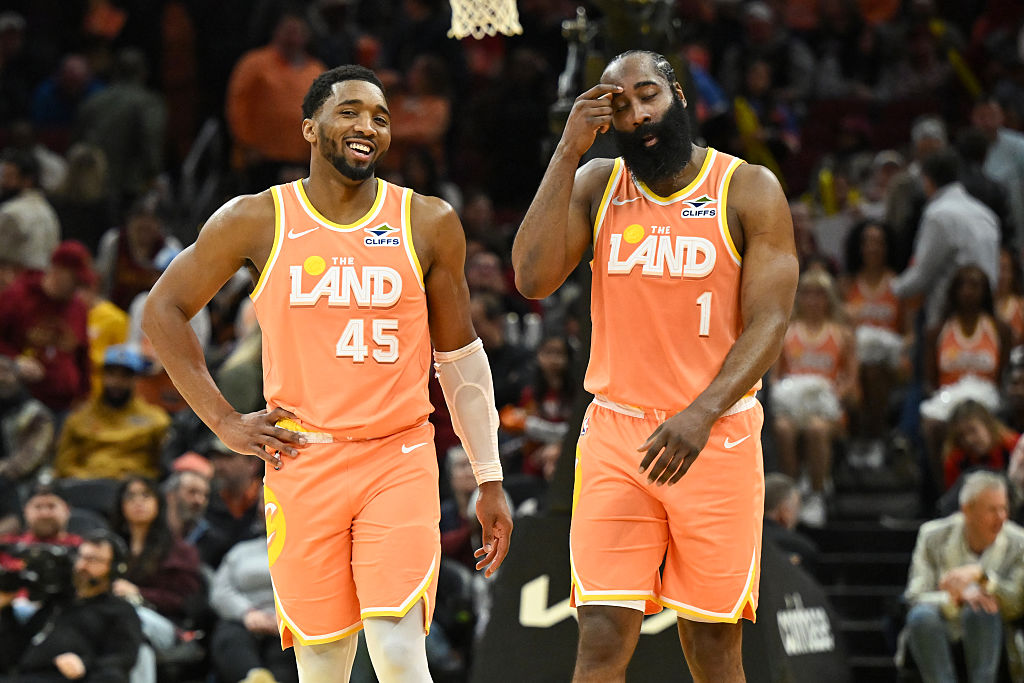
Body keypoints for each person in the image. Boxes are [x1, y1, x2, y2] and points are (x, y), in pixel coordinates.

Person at [142, 64, 513, 682]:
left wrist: (489, 476)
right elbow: (163, 310)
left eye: (380, 117)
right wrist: (224, 422)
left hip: (396, 456)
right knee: (321, 667)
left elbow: (460, 358)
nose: (368, 126)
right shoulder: (258, 218)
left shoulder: (427, 221)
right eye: (350, 112)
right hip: (302, 458)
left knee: (398, 652)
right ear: (309, 128)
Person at [511, 50, 798, 682]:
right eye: (620, 105)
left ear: (679, 97)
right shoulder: (598, 183)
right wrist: (568, 151)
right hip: (618, 434)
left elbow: (770, 322)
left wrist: (701, 413)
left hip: (715, 434)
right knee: (600, 637)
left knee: (713, 646)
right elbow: (531, 278)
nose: (638, 114)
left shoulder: (747, 188)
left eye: (649, 96)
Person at [902, 471, 1024, 683]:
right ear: (967, 510)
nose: (1001, 517)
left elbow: (1017, 603)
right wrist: (956, 598)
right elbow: (914, 596)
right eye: (992, 510)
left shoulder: (1018, 542)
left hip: (994, 633)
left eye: (1004, 508)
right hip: (941, 624)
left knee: (980, 610)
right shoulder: (932, 536)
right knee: (921, 616)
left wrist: (982, 578)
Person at [772, 269, 858, 527]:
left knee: (816, 428)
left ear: (828, 298)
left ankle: (817, 495)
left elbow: (851, 381)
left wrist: (832, 395)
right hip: (793, 407)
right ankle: (791, 492)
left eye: (819, 294)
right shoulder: (787, 332)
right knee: (783, 427)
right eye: (807, 293)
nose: (813, 300)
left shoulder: (842, 334)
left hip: (827, 410)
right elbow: (776, 378)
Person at [0, 529, 143, 683]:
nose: (82, 565)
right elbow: (13, 654)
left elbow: (119, 664)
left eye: (93, 560)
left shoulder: (120, 611)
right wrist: (5, 609)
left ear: (114, 568)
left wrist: (85, 666)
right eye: (81, 557)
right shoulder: (58, 601)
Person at [891, 149, 1000, 330]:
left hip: (948, 318)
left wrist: (893, 289)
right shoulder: (985, 214)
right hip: (985, 315)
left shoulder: (938, 214)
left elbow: (922, 273)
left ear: (927, 180)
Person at [0, 240, 91, 415]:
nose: (77, 288)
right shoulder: (17, 297)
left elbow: (82, 354)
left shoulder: (78, 307)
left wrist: (84, 393)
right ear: (58, 270)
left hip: (64, 405)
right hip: (21, 401)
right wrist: (15, 360)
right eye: (75, 280)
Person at [54, 344, 170, 480]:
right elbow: (64, 465)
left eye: (125, 376)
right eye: (111, 374)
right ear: (102, 376)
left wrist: (141, 481)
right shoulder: (79, 419)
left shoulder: (156, 420)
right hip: (87, 484)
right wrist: (85, 478)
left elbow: (162, 467)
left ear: (135, 379)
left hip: (133, 485)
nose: (116, 382)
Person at [0, 148, 60, 277]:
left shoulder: (10, 213)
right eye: (3, 176)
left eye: (9, 177)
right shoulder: (49, 211)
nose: (3, 182)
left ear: (27, 180)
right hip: (43, 283)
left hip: (17, 285)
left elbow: (4, 264)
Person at [762, 473, 818, 572]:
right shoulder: (799, 547)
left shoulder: (746, 541)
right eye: (797, 507)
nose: (798, 516)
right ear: (785, 510)